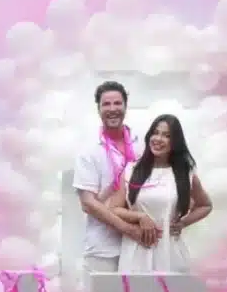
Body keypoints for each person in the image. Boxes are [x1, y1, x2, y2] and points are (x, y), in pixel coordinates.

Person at [72, 81, 159, 275]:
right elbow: (88, 203)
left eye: (117, 103)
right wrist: (129, 229)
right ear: (98, 109)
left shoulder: (144, 143)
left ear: (126, 106)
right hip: (104, 248)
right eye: (106, 104)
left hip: (142, 244)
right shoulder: (89, 150)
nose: (112, 109)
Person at [108, 114, 213, 273]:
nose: (158, 139)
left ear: (175, 142)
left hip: (170, 252)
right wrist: (140, 217)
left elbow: (205, 205)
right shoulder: (131, 170)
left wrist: (183, 223)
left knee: (172, 289)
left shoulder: (185, 174)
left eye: (166, 135)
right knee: (134, 289)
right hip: (137, 251)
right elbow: (114, 208)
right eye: (155, 133)